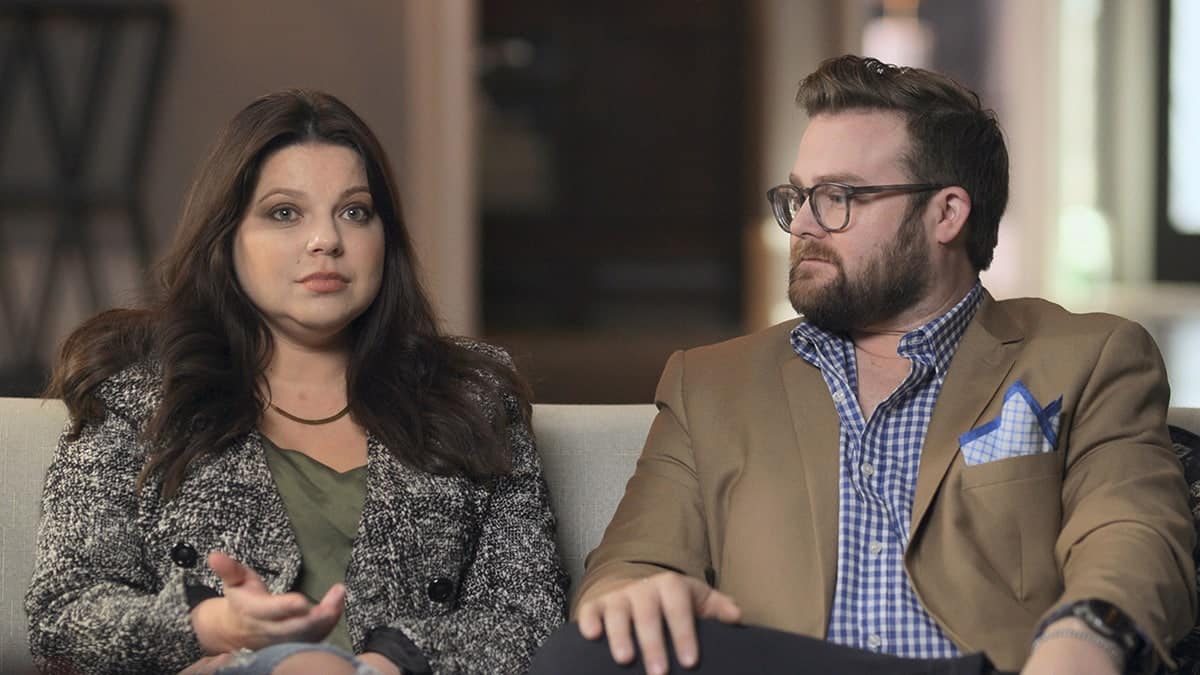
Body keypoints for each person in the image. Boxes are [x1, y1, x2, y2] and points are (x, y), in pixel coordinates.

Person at [531, 55, 1196, 675]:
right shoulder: (709, 383)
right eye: (797, 198)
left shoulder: (1089, 356)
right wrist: (628, 593)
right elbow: (631, 561)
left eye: (839, 196)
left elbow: (1132, 528)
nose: (803, 226)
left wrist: (1085, 633)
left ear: (946, 213)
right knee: (579, 654)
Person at [26, 89, 567, 675]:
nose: (326, 240)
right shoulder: (138, 397)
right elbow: (65, 613)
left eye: (355, 211)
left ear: (386, 237)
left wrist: (392, 664)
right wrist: (207, 625)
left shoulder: (474, 396)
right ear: (227, 238)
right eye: (285, 213)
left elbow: (530, 618)